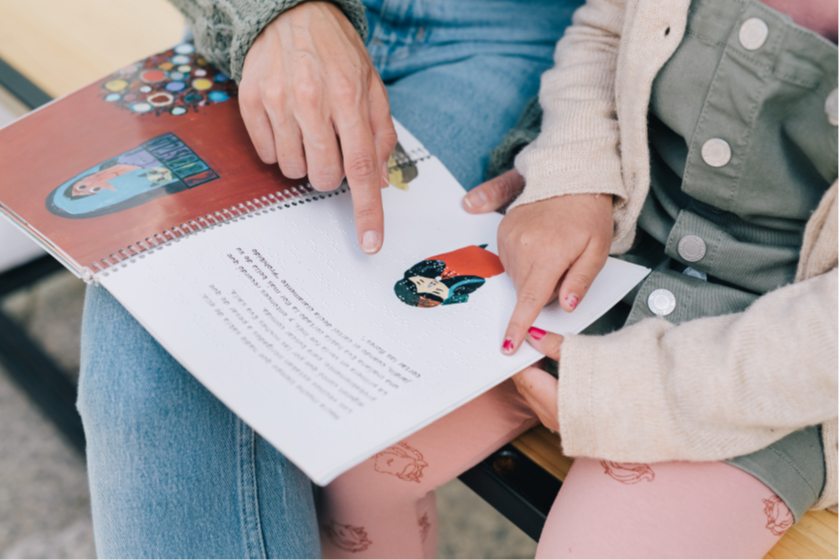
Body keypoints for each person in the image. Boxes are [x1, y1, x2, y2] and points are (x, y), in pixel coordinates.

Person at [318, 0, 839, 558]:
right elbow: (604, 29)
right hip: (614, 250)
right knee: (351, 464)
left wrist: (631, 394)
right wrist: (571, 180)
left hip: (770, 377)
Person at [76, 0, 584, 557]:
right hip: (263, 31)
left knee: (312, 304)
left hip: (504, 34)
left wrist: (578, 156)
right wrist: (271, 12)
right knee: (144, 367)